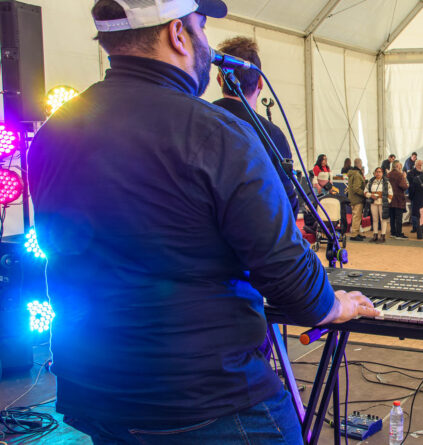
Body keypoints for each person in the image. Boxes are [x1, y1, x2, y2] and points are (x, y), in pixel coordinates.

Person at [29, 1, 379, 443]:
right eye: (201, 27)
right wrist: (334, 305)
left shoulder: (52, 133)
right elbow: (288, 275)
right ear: (178, 34)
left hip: (94, 390)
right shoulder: (216, 132)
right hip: (207, 399)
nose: (207, 45)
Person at [211, 36, 298, 218]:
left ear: (220, 80)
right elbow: (287, 203)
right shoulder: (272, 135)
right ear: (260, 82)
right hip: (254, 238)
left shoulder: (195, 120)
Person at [366, 167, 392, 243]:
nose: (378, 173)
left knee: (383, 219)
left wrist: (388, 201)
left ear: (382, 173)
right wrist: (371, 195)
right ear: (374, 173)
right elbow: (365, 191)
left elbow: (390, 192)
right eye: (377, 172)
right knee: (374, 219)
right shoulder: (371, 181)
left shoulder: (386, 182)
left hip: (383, 203)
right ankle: (375, 235)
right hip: (373, 202)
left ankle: (383, 235)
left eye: (380, 172)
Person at [387, 160, 409, 239]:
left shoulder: (388, 175)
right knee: (398, 217)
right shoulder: (400, 175)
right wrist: (405, 178)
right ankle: (398, 234)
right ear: (397, 166)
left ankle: (393, 232)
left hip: (390, 199)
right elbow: (404, 187)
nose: (401, 167)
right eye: (400, 165)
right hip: (398, 199)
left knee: (392, 217)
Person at [408, 160, 423, 239]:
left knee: (418, 218)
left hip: (417, 200)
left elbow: (412, 190)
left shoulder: (416, 179)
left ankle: (419, 235)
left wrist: (411, 198)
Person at [347, 158, 366, 241]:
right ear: (360, 165)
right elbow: (356, 188)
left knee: (356, 216)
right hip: (357, 198)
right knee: (356, 216)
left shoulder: (352, 173)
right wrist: (364, 193)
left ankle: (357, 232)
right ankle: (354, 234)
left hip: (352, 198)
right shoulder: (357, 174)